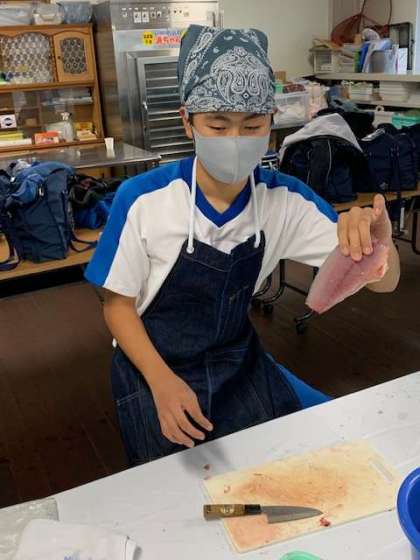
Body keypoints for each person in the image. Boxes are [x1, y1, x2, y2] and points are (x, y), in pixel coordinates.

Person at [85, 25, 400, 466]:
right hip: (153, 366)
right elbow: (117, 306)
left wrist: (380, 243)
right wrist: (161, 383)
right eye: (217, 124)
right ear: (187, 121)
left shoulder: (284, 200)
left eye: (251, 125)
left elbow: (382, 282)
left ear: (270, 123)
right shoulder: (143, 200)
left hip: (238, 361)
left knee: (335, 447)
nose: (235, 140)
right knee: (185, 490)